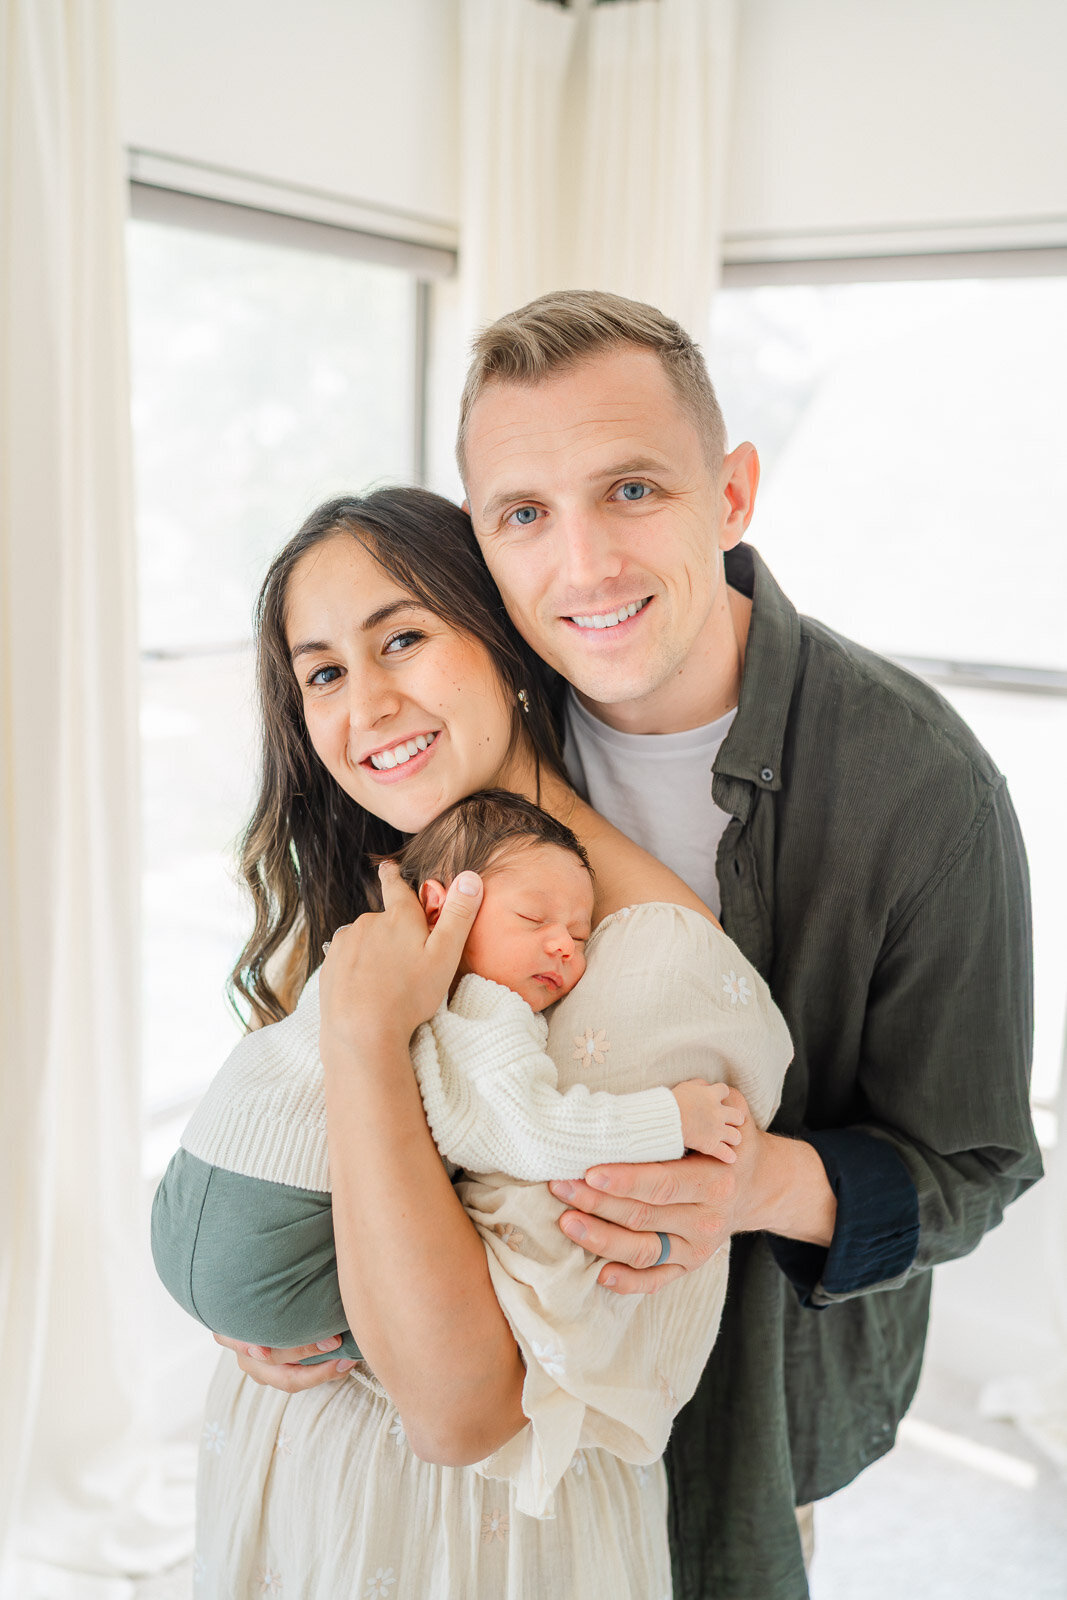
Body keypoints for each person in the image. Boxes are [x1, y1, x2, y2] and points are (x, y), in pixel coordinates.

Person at [444, 288, 1042, 1597]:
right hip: (488, 1389)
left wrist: (758, 1183)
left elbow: (975, 1163)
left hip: (748, 1413)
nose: (582, 565)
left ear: (730, 495)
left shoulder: (922, 788)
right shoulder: (463, 740)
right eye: (524, 515)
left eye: (633, 490)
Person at [189, 487, 792, 1598]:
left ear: (504, 639)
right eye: (322, 672)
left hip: (461, 1535)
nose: (364, 704)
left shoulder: (643, 961)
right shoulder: (373, 888)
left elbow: (462, 1407)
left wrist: (370, 1041)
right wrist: (248, 1294)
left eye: (402, 638)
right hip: (292, 1472)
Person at [151, 788, 769, 1366]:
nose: (564, 947)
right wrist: (672, 1116)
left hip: (185, 1195)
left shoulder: (361, 947)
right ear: (444, 908)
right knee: (457, 1330)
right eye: (534, 919)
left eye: (580, 936)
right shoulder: (481, 1003)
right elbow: (525, 1132)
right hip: (273, 1240)